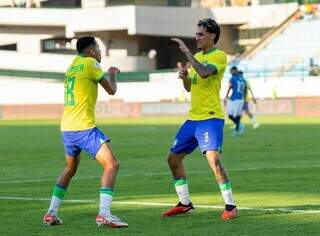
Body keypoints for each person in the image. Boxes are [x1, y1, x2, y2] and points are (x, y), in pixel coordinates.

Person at [43, 36, 128, 228]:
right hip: (84, 128)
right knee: (112, 165)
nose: (100, 52)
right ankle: (104, 214)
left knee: (70, 169)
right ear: (91, 50)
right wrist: (113, 73)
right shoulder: (91, 63)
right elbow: (112, 90)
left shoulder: (73, 65)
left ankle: (51, 213)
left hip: (67, 128)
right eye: (98, 48)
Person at [162, 18, 238, 221]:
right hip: (193, 119)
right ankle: (185, 204)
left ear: (212, 35)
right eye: (196, 34)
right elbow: (190, 87)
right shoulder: (197, 56)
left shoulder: (219, 56)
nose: (197, 38)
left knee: (213, 160)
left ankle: (230, 206)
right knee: (173, 159)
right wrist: (185, 76)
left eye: (201, 34)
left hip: (210, 118)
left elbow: (204, 73)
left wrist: (187, 53)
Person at [224, 66, 246, 136]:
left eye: (231, 71)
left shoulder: (233, 78)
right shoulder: (242, 79)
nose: (230, 72)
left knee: (230, 115)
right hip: (241, 99)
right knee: (238, 116)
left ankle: (239, 125)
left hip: (234, 99)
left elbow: (229, 88)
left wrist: (225, 98)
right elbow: (244, 90)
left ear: (235, 70)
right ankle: (236, 131)